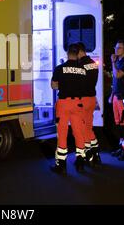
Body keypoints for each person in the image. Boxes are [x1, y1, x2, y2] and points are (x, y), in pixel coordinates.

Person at [51, 44, 86, 174]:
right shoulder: (82, 70)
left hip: (64, 104)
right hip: (78, 104)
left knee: (62, 133)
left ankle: (61, 164)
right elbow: (84, 87)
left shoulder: (60, 68)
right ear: (77, 54)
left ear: (67, 53)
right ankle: (81, 162)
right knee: (78, 133)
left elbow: (54, 86)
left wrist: (63, 84)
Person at [76, 42, 101, 166]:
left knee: (82, 128)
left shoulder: (80, 65)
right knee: (88, 127)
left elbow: (78, 83)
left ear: (80, 51)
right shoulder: (92, 63)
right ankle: (95, 153)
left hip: (83, 100)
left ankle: (88, 155)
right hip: (92, 98)